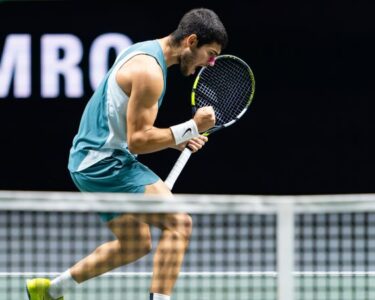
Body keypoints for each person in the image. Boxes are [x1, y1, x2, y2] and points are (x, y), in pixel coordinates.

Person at [26, 7, 228, 300]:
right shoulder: (150, 73)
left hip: (85, 160)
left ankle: (49, 291)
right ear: (191, 41)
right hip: (105, 162)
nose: (210, 63)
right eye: (210, 53)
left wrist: (178, 140)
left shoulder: (145, 50)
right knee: (178, 223)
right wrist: (190, 128)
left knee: (135, 243)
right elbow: (138, 141)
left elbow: (130, 127)